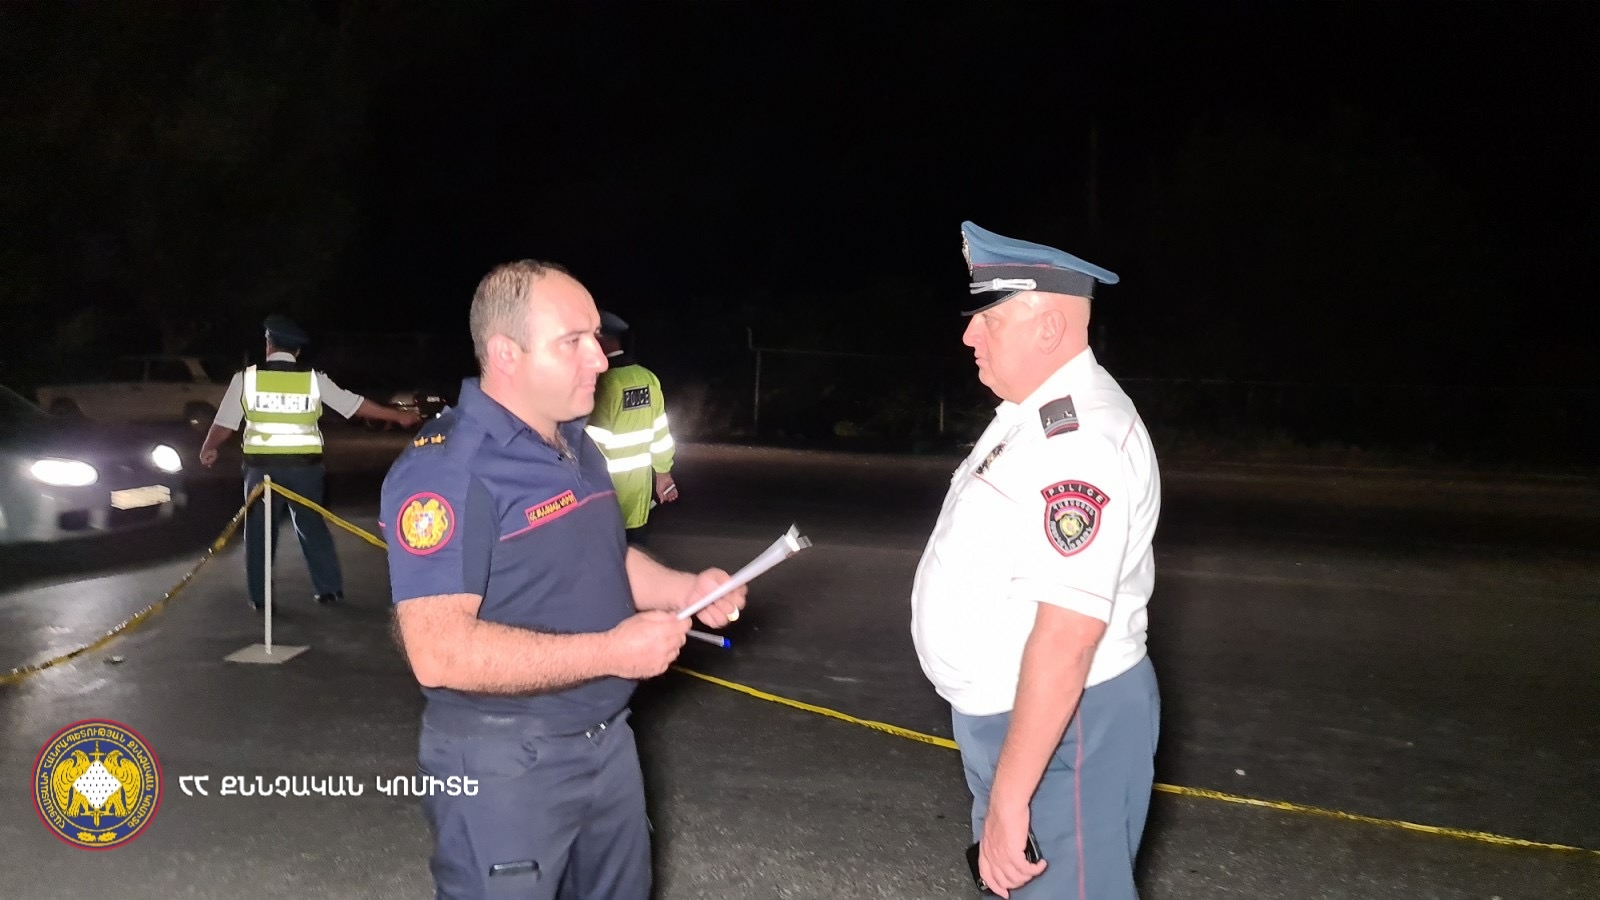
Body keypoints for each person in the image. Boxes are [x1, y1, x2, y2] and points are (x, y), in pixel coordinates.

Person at [379, 260, 746, 900]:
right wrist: (612, 652)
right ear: (506, 354)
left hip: (606, 743)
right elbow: (437, 652)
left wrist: (684, 590)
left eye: (595, 338)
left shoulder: (576, 442)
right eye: (572, 341)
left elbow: (603, 558)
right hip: (503, 763)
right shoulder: (449, 472)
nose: (600, 359)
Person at [911, 221, 1162, 899]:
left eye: (988, 320)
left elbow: (1068, 635)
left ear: (1048, 327)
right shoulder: (1035, 414)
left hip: (1064, 730)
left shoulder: (1079, 441)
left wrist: (1009, 799)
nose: (970, 336)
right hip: (1025, 723)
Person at [199, 315, 419, 609]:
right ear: (298, 350)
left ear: (268, 344)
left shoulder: (247, 378)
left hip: (261, 470)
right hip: (305, 470)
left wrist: (209, 447)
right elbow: (354, 405)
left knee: (260, 533)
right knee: (311, 525)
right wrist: (399, 416)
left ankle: (261, 598)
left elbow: (225, 423)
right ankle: (329, 589)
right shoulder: (313, 379)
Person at [583, 310, 678, 546]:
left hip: (604, 496)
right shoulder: (648, 378)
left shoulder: (601, 384)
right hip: (638, 497)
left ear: (599, 340)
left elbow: (590, 446)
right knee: (636, 555)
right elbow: (660, 433)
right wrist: (663, 474)